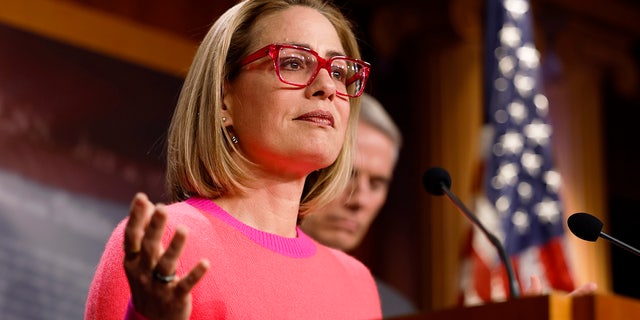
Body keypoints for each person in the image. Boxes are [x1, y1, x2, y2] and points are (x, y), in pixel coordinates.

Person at [84, 0, 382, 319]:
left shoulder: (356, 284)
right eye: (294, 63)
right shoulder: (165, 246)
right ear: (224, 97)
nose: (327, 87)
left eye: (338, 72)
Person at [299, 93, 417, 317]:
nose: (360, 200)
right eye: (347, 175)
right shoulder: (247, 281)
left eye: (376, 184)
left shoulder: (394, 310)